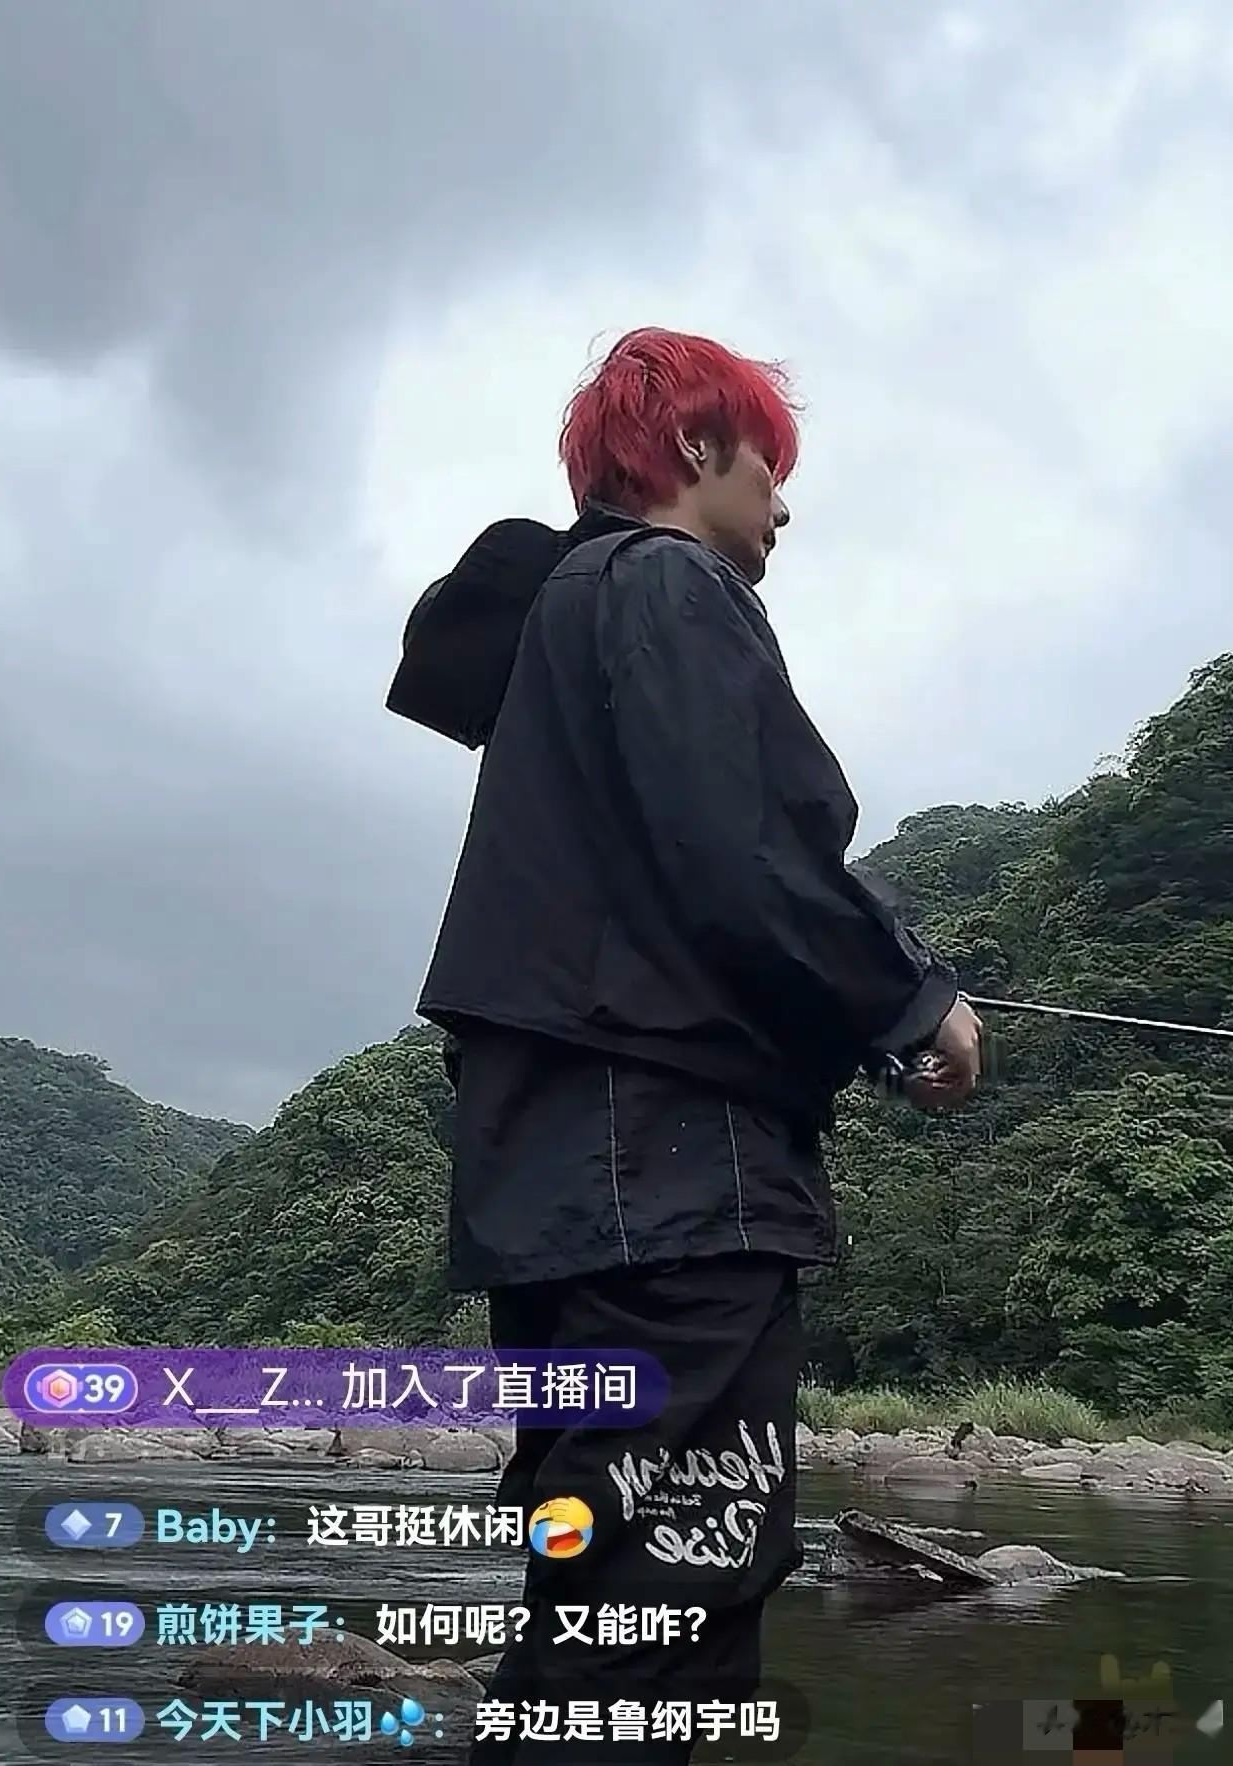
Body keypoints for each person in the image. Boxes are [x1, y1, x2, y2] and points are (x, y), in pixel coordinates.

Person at [389, 327, 982, 1762]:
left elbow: (685, 875)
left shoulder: (559, 638)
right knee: (676, 1578)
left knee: (600, 1572)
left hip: (563, 1185)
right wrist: (917, 1001)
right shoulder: (666, 585)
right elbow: (748, 852)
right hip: (669, 1175)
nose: (784, 502)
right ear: (696, 449)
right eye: (769, 462)